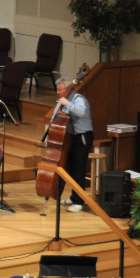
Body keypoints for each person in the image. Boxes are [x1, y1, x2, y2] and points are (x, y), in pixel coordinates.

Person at [51, 77, 93, 213]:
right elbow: (55, 117)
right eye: (57, 89)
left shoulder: (79, 99)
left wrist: (66, 103)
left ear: (68, 89)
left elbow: (80, 111)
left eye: (60, 89)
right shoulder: (63, 101)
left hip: (82, 136)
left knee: (79, 169)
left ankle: (79, 202)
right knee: (70, 168)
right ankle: (74, 196)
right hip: (71, 137)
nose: (58, 92)